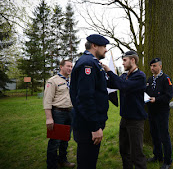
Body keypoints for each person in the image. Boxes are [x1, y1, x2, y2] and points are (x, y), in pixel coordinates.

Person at [69, 34, 110, 169]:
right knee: (87, 162)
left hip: (89, 123)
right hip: (88, 126)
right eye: (104, 46)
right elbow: (85, 98)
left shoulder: (92, 62)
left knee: (90, 161)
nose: (105, 50)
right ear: (94, 46)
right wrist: (94, 127)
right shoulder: (88, 63)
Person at [102, 51, 147, 169]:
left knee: (137, 154)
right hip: (125, 119)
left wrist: (109, 71)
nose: (122, 63)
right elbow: (112, 83)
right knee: (124, 150)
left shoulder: (140, 76)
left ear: (133, 60)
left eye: (124, 60)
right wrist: (101, 74)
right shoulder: (124, 75)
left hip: (136, 121)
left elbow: (124, 86)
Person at [43, 59, 75, 169]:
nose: (70, 68)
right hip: (58, 113)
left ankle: (62, 160)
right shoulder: (53, 81)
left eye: (71, 66)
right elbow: (47, 100)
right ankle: (51, 165)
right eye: (68, 66)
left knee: (65, 139)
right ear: (61, 67)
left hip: (70, 113)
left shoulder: (71, 81)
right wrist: (49, 118)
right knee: (55, 141)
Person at [145, 58, 173, 169]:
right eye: (151, 66)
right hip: (151, 111)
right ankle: (157, 156)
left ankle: (167, 161)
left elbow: (168, 96)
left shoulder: (166, 79)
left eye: (154, 66)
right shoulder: (149, 79)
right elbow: (146, 93)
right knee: (154, 134)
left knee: (164, 136)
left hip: (162, 112)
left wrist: (156, 99)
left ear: (160, 66)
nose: (152, 68)